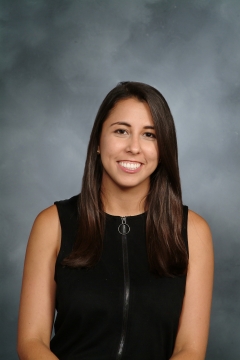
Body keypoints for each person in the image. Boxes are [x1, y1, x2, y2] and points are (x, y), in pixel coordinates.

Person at [17, 81, 214, 360]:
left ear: (163, 148)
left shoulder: (193, 231)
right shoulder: (52, 224)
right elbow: (31, 341)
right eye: (121, 131)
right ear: (98, 141)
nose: (134, 147)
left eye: (149, 135)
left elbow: (190, 349)